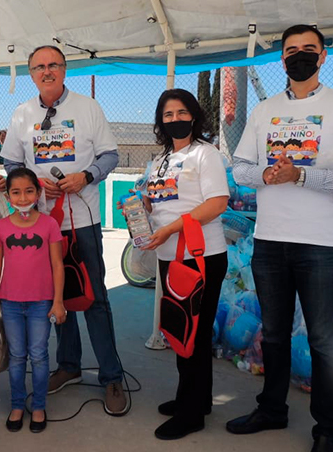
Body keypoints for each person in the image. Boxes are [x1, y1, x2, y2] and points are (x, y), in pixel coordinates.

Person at [227, 25, 333, 452]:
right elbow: (240, 168)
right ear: (282, 60)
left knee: (323, 340)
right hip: (270, 240)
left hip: (320, 244)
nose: (300, 56)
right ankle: (272, 410)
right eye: (292, 50)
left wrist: (301, 174)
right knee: (272, 334)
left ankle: (329, 430)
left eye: (309, 49)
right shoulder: (264, 110)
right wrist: (267, 174)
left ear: (323, 56)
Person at [0, 45, 128, 416]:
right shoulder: (22, 114)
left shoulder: (88, 108)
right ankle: (68, 365)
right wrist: (36, 185)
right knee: (56, 297)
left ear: (64, 69)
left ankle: (111, 376)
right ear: (31, 74)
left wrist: (85, 176)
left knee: (94, 298)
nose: (47, 71)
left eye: (53, 64)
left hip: (83, 220)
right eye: (39, 66)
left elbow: (109, 155)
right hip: (42, 224)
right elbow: (11, 161)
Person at [120, 88, 229, 440]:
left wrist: (170, 228)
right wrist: (139, 207)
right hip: (170, 256)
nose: (175, 120)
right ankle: (195, 398)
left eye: (181, 113)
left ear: (194, 116)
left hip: (200, 256)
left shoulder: (204, 153)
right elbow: (158, 202)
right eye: (167, 115)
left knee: (192, 334)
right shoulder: (162, 159)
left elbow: (216, 203)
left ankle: (192, 412)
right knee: (183, 330)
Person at [0, 168, 67, 433]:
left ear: (38, 192)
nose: (23, 198)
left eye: (29, 191)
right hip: (9, 303)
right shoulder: (1, 227)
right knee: (18, 356)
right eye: (16, 193)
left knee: (40, 355)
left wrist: (58, 301)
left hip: (41, 302)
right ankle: (18, 404)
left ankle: (39, 405)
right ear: (7, 196)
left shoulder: (49, 225)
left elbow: (57, 264)